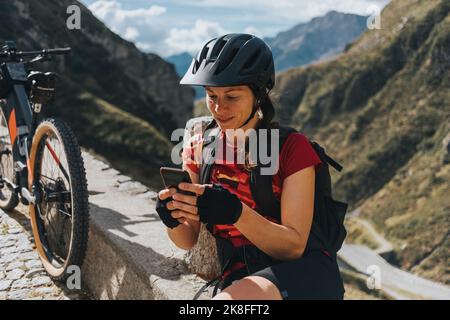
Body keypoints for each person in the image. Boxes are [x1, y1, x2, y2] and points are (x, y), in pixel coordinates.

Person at [156, 33, 345, 300]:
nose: (219, 108)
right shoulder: (199, 147)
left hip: (301, 274)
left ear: (259, 95)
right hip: (240, 276)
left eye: (232, 97)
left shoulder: (292, 148)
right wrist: (172, 218)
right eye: (211, 96)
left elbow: (293, 247)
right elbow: (188, 239)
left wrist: (235, 212)